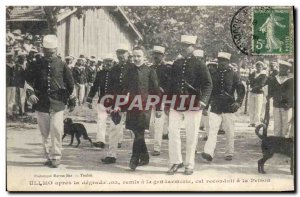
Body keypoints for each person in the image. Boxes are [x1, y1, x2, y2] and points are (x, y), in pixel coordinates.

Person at [26, 35, 75, 168]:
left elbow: (70, 83)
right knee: (45, 132)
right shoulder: (36, 64)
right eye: (46, 52)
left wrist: (72, 100)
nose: (48, 55)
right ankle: (48, 155)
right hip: (41, 102)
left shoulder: (62, 64)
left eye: (51, 53)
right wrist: (30, 93)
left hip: (58, 102)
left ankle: (56, 156)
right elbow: (28, 81)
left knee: (57, 130)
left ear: (56, 50)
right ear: (42, 50)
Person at [167, 35, 212, 175]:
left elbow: (208, 84)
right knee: (172, 132)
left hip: (193, 103)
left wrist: (203, 101)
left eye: (187, 46)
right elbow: (171, 85)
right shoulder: (177, 63)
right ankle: (176, 161)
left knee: (191, 134)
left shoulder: (199, 64)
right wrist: (168, 102)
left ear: (193, 47)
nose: (184, 48)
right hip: (176, 102)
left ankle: (189, 164)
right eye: (182, 45)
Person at [201, 52, 245, 162]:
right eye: (220, 60)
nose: (221, 63)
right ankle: (209, 152)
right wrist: (205, 106)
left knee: (229, 131)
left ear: (228, 62)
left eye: (224, 61)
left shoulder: (234, 74)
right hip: (215, 106)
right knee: (212, 130)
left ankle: (229, 153)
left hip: (229, 106)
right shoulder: (213, 74)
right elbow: (209, 91)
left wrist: (238, 102)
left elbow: (241, 89)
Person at [123, 47, 160, 170]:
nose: (136, 58)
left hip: (145, 106)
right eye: (134, 56)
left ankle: (134, 158)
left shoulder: (150, 71)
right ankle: (145, 156)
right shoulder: (129, 71)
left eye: (139, 56)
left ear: (144, 57)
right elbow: (124, 89)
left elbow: (156, 90)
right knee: (136, 131)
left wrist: (158, 108)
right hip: (132, 106)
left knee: (140, 132)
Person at [101, 44, 134, 164]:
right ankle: (111, 155)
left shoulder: (133, 68)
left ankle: (136, 155)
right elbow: (109, 88)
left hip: (132, 103)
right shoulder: (114, 69)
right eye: (119, 52)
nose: (121, 55)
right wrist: (109, 104)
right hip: (116, 104)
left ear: (128, 54)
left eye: (123, 52)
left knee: (134, 130)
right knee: (114, 129)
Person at [87, 54, 115, 149]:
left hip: (114, 101)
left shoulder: (116, 73)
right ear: (103, 63)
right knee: (101, 120)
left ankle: (116, 140)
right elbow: (95, 86)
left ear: (113, 62)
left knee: (114, 122)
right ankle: (100, 140)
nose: (108, 63)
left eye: (110, 61)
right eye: (106, 61)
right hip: (102, 100)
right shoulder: (100, 73)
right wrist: (89, 99)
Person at [150, 45, 172, 156]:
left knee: (159, 124)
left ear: (162, 56)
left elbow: (170, 84)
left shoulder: (167, 68)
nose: (156, 56)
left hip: (162, 99)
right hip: (150, 99)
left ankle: (157, 148)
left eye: (158, 54)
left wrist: (165, 93)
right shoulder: (150, 68)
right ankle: (156, 142)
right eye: (155, 54)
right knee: (150, 125)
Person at [267, 60, 293, 137]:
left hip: (286, 106)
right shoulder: (275, 79)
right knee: (277, 125)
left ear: (288, 70)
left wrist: (290, 104)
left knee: (286, 126)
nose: (282, 70)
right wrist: (268, 95)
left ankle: (284, 144)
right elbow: (271, 90)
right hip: (276, 105)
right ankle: (277, 143)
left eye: (284, 68)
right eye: (281, 67)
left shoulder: (291, 80)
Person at [248, 61, 267, 127]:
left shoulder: (263, 75)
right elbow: (250, 81)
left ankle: (257, 122)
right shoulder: (253, 73)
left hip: (259, 93)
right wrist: (249, 81)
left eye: (260, 66)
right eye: (257, 66)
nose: (258, 68)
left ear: (262, 67)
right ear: (255, 67)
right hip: (252, 93)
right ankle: (251, 122)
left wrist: (253, 88)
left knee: (258, 108)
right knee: (251, 107)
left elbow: (261, 84)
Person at [6, 51, 16, 117]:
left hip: (13, 83)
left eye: (12, 57)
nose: (11, 59)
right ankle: (7, 111)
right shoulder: (5, 65)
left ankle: (10, 112)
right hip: (7, 83)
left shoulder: (14, 65)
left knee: (12, 98)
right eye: (10, 57)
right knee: (7, 97)